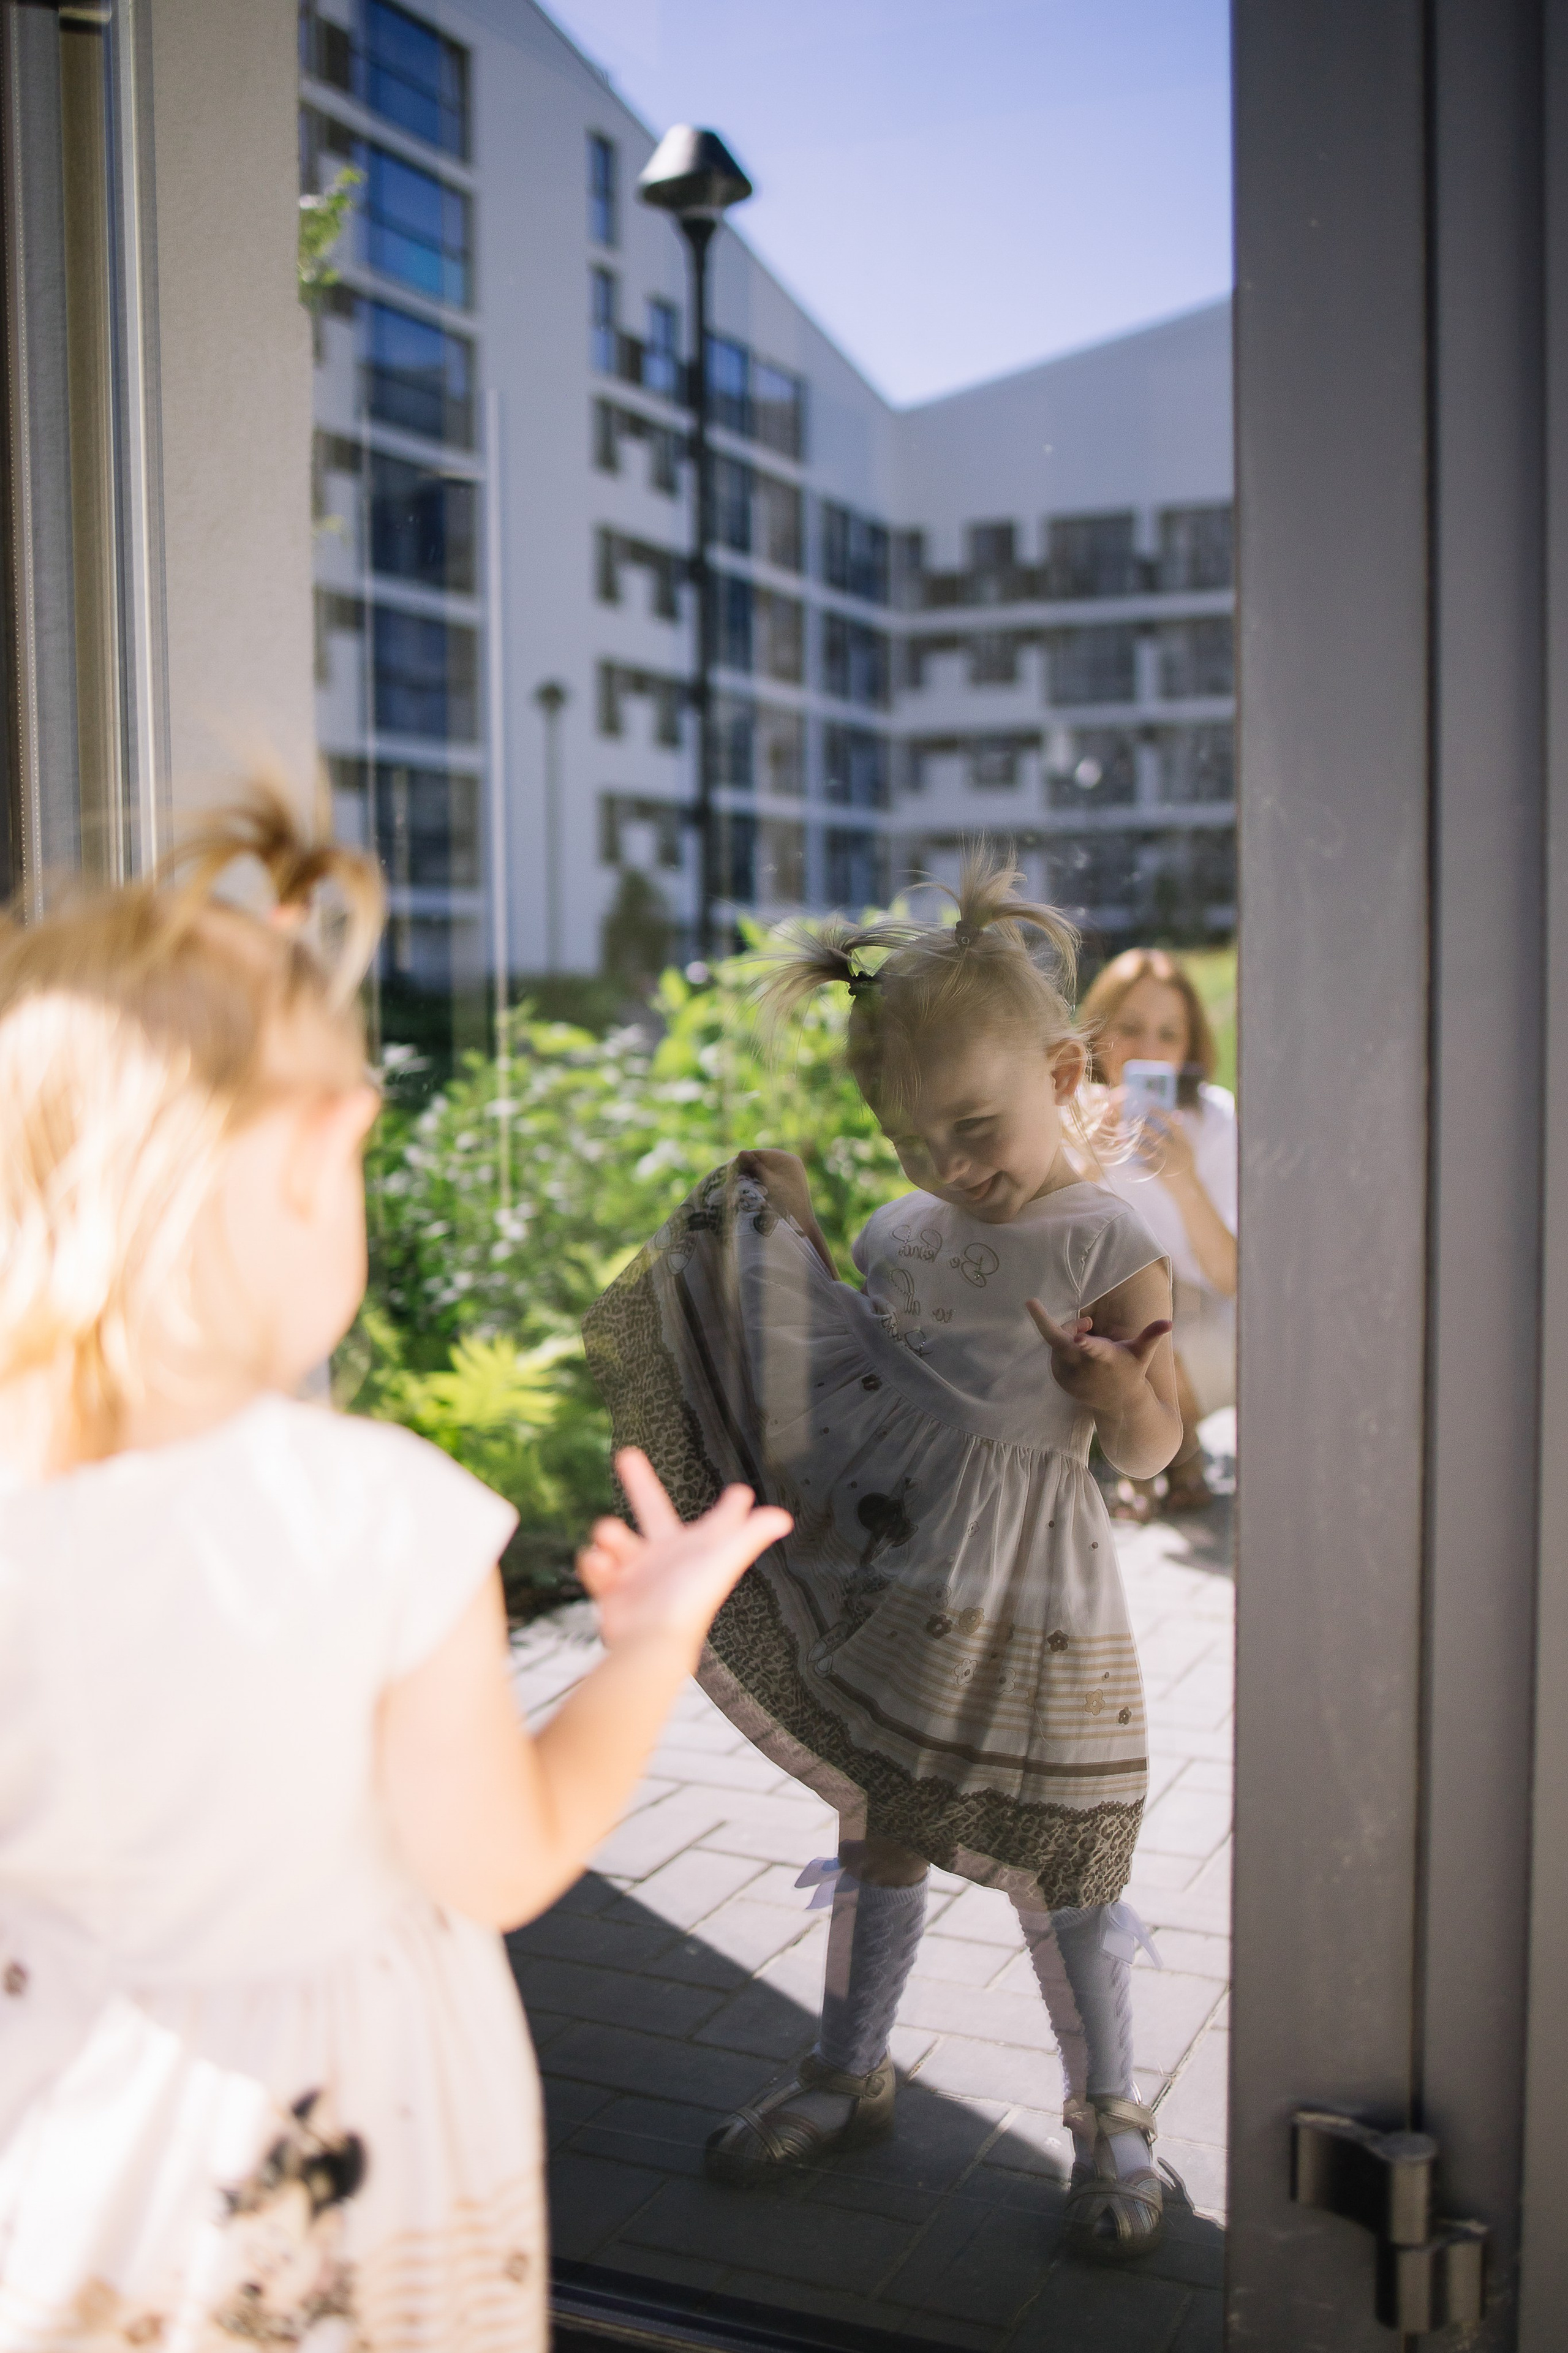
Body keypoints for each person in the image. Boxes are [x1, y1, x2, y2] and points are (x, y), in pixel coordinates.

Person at [0, 793, 788, 2351]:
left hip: (66, 2123)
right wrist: (644, 1644)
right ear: (315, 1155)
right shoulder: (372, 1517)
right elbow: (501, 1860)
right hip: (324, 2174)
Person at [584, 858, 1182, 2262]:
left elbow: (1153, 1449)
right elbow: (862, 1389)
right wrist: (784, 1244)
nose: (948, 1168)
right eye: (911, 1141)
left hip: (1042, 1599)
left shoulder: (1105, 1233)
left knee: (1070, 1854)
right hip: (909, 1588)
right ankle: (845, 2070)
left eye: (972, 1128)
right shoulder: (902, 1231)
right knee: (883, 1824)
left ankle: (1105, 2109)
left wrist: (1110, 1393)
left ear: (1062, 1068)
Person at [1077, 947, 1237, 1513]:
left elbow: (1233, 1276)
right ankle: (1172, 1449)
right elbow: (1044, 1250)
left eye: (1168, 1035)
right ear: (1098, 1034)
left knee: (1231, 1330)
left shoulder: (1214, 1121)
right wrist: (1086, 1164)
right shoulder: (1070, 1113)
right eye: (1130, 1029)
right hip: (1100, 1310)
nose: (1148, 1051)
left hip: (1187, 1316)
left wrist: (1185, 1181)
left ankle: (1157, 1448)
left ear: (1190, 1048)